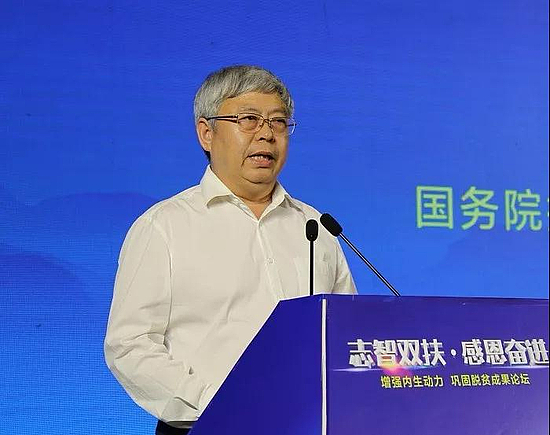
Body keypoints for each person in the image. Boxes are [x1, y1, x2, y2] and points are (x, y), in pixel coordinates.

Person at [104, 65, 357, 435]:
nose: (267, 134)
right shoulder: (164, 226)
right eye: (249, 120)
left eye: (278, 122)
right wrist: (221, 403)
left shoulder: (316, 226)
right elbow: (130, 345)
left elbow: (346, 332)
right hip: (206, 425)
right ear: (206, 133)